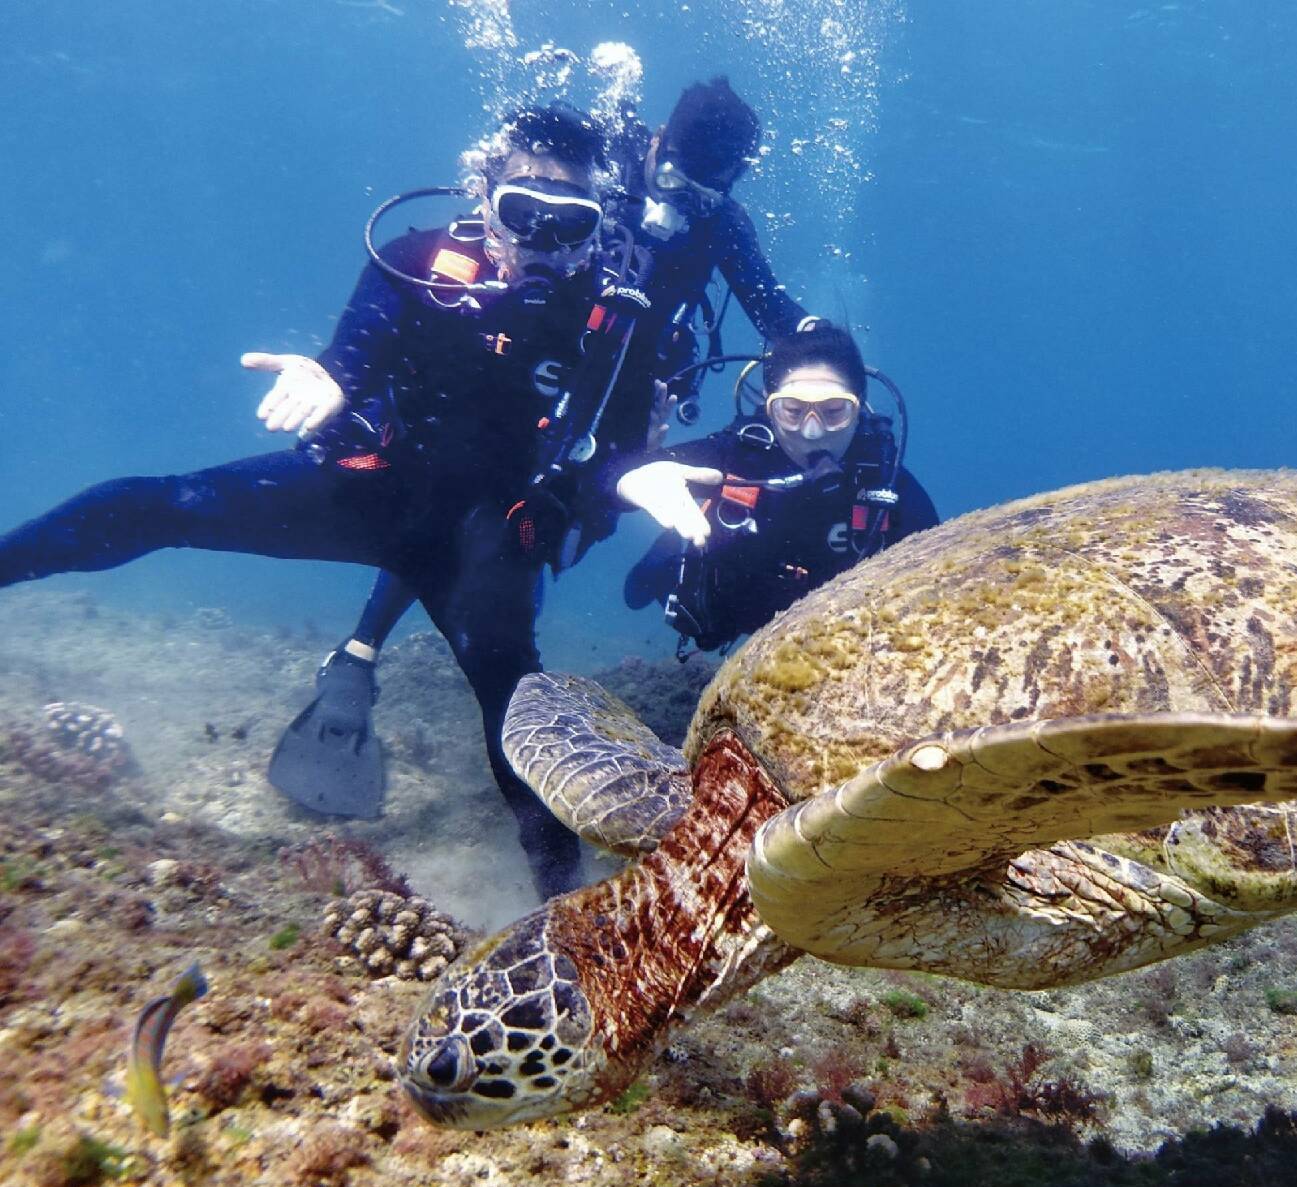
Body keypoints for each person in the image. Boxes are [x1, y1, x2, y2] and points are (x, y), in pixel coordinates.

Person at [0, 105, 646, 899]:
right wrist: (331, 376)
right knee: (171, 503)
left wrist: (621, 481)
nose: (542, 239)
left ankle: (566, 908)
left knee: (518, 710)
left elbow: (617, 454)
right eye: (523, 213)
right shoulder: (417, 261)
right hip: (372, 490)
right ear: (484, 200)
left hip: (487, 538)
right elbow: (354, 353)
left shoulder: (614, 323)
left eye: (567, 221)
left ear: (594, 226)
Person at [284, 77, 820, 809]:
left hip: (620, 395)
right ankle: (362, 651)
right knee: (463, 487)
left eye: (701, 195)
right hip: (533, 362)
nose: (677, 205)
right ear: (656, 141)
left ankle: (496, 657)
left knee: (540, 530)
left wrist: (822, 355)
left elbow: (769, 307)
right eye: (672, 180)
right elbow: (502, 228)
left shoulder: (720, 223)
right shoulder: (596, 169)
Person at [615, 324, 938, 655]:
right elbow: (619, 479)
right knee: (636, 591)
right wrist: (631, 477)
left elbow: (939, 570)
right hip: (734, 611)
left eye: (834, 412)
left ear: (858, 410)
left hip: (830, 640)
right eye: (793, 411)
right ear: (770, 410)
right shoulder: (740, 455)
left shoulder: (884, 482)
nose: (812, 433)